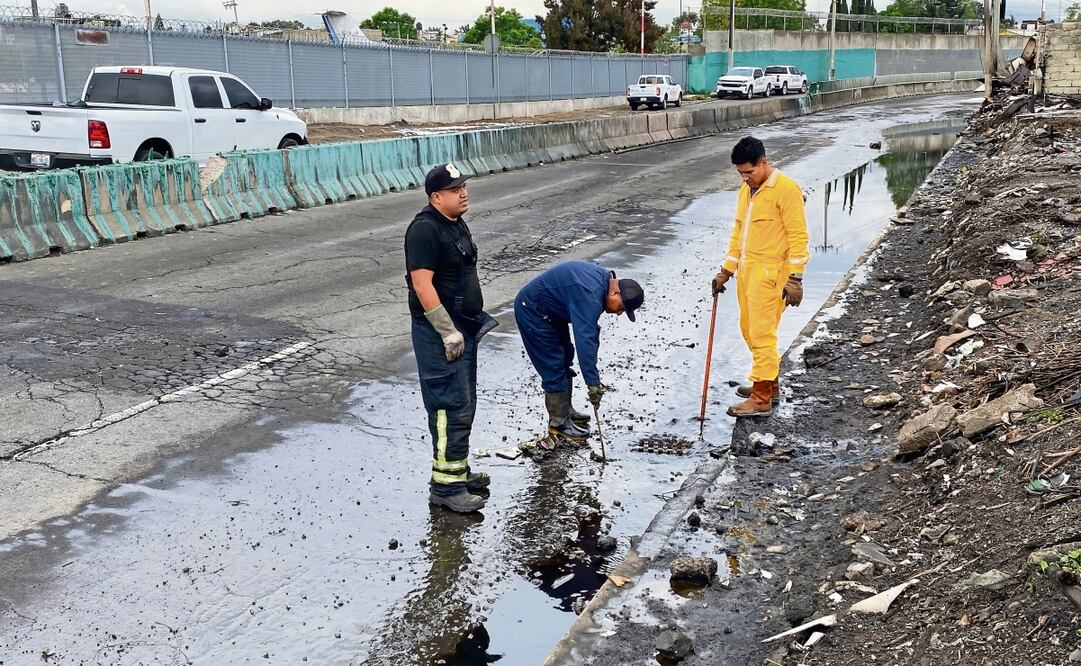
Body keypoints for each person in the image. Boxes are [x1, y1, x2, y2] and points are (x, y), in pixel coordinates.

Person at [406, 163, 498, 513]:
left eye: (464, 186)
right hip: (442, 333)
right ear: (436, 197)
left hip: (464, 328)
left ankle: (456, 471)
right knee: (449, 407)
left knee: (465, 402)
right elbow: (422, 284)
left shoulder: (453, 222)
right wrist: (447, 331)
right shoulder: (424, 230)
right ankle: (445, 489)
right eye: (455, 189)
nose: (463, 193)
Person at [712, 136, 809, 418]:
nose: (745, 178)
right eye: (740, 173)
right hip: (748, 273)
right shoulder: (747, 192)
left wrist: (796, 277)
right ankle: (770, 382)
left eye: (749, 172)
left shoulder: (786, 190)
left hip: (771, 275)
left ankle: (762, 397)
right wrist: (726, 270)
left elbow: (798, 236)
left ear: (763, 163)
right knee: (748, 329)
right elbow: (738, 233)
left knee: (762, 334)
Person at [515, 260, 644, 442]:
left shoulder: (604, 282)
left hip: (552, 313)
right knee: (553, 365)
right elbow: (585, 339)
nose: (619, 313)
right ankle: (559, 424)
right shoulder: (590, 294)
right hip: (533, 311)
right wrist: (593, 382)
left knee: (566, 355)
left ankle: (565, 410)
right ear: (615, 292)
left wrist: (593, 378)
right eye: (621, 307)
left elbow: (591, 331)